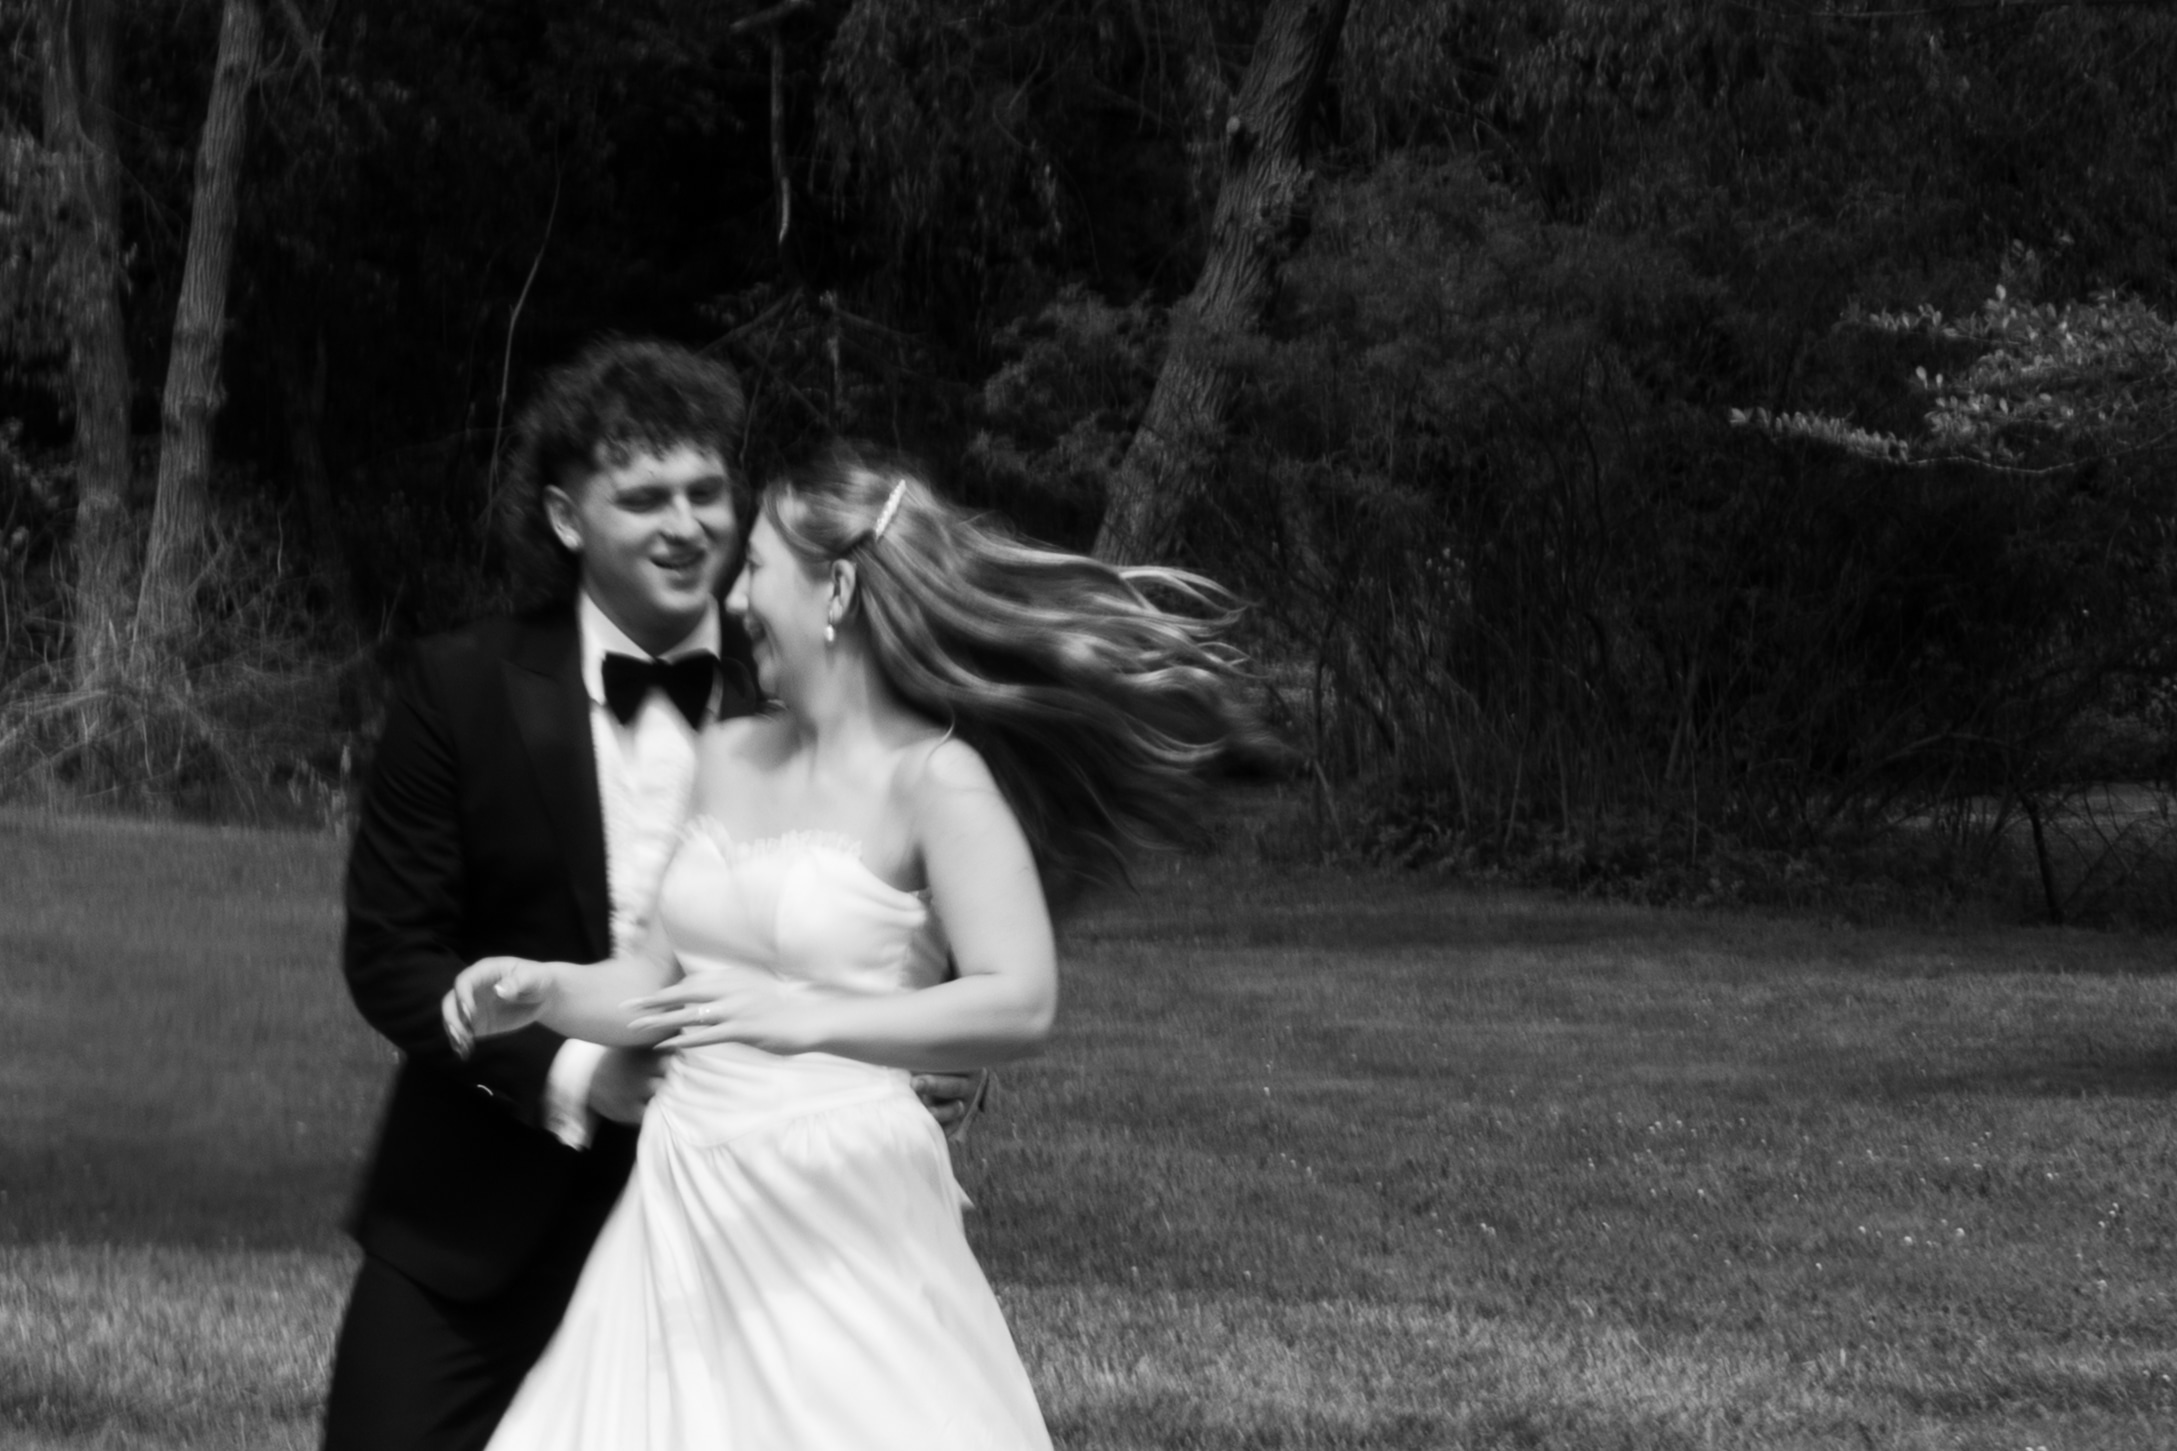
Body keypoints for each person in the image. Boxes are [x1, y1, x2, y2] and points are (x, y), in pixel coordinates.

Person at [443, 444, 1260, 1450]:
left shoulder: (935, 779)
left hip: (840, 1202)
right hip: (683, 1193)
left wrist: (808, 1019)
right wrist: (545, 990)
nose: (733, 600)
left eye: (755, 569)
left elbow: (1019, 998)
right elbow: (652, 981)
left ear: (834, 590)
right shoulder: (725, 750)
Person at [323, 344, 980, 1451]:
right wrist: (581, 1073)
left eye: (705, 491)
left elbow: (908, 912)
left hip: (767, 1222)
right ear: (566, 517)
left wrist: (939, 1049)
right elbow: (394, 957)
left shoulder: (813, 676)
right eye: (642, 498)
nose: (685, 525)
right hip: (480, 1207)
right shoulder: (459, 686)